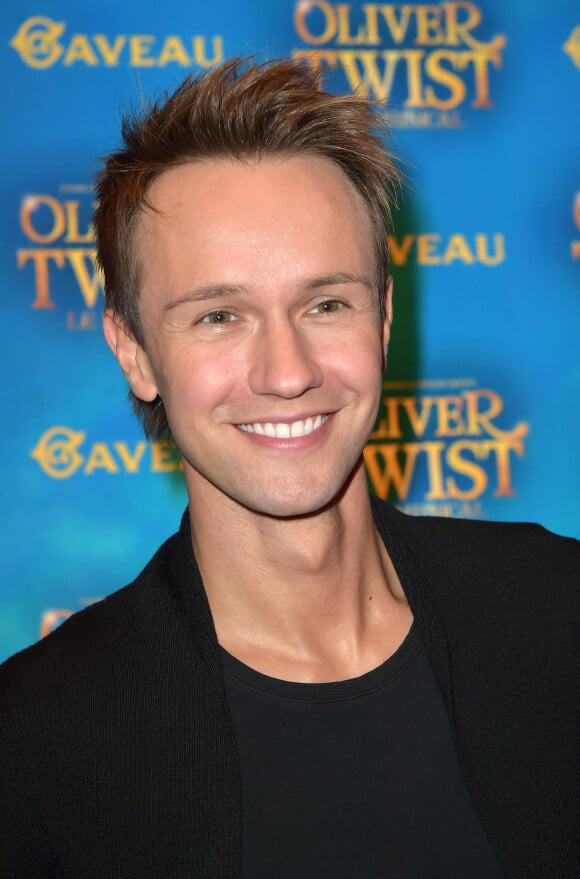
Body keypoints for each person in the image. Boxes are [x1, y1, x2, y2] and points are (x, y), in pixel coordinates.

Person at [0, 57, 578, 879]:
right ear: (134, 351)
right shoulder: (37, 741)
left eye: (325, 303)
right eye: (220, 315)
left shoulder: (559, 608)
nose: (286, 370)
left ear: (382, 319)